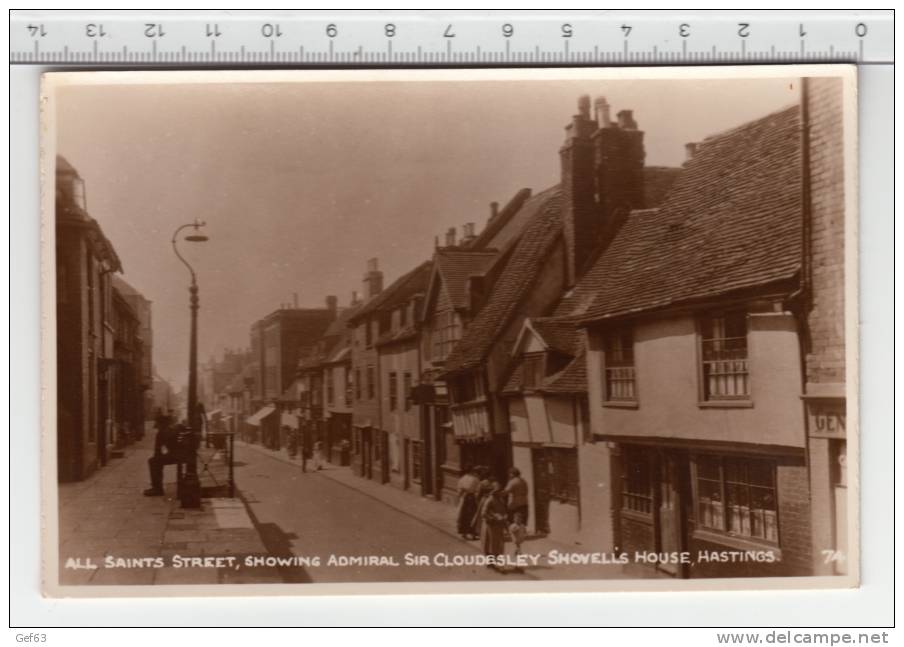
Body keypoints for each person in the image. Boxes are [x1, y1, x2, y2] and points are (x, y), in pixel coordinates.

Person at [144, 419, 183, 496]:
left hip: (176, 456)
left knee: (153, 462)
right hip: (183, 454)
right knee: (157, 461)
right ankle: (157, 488)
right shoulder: (174, 429)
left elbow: (157, 452)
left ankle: (157, 489)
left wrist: (158, 457)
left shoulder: (161, 432)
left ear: (160, 425)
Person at [478, 480, 508, 570]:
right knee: (490, 544)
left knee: (498, 544)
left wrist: (504, 517)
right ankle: (491, 562)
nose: (499, 492)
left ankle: (496, 562)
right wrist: (494, 517)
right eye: (498, 491)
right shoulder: (490, 499)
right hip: (490, 526)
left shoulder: (500, 500)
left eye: (500, 491)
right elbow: (483, 513)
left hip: (498, 526)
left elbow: (503, 510)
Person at [456, 466, 481, 539]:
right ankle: (472, 533)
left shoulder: (462, 479)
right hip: (472, 498)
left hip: (464, 497)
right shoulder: (475, 479)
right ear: (471, 471)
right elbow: (478, 490)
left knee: (463, 515)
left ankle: (464, 532)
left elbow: (459, 490)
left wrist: (459, 497)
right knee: (472, 515)